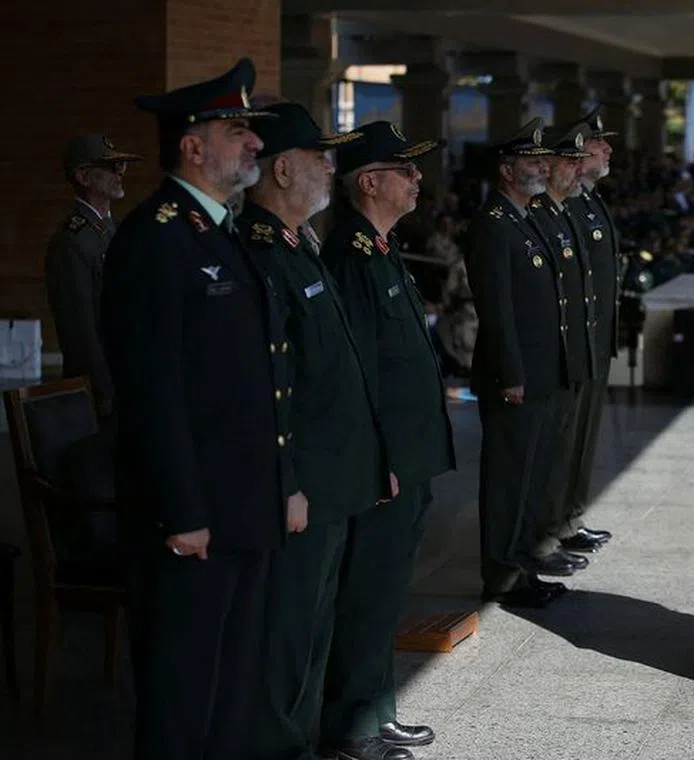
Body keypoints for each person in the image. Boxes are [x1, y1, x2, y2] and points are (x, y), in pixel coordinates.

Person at [100, 58, 288, 759]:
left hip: (242, 505)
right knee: (183, 695)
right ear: (192, 144)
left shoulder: (221, 233)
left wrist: (279, 484)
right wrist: (182, 511)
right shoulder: (154, 238)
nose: (254, 145)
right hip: (193, 515)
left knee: (233, 689)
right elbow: (153, 389)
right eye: (239, 129)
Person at [235, 102, 404, 760]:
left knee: (313, 629)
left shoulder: (296, 243)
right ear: (281, 169)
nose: (330, 169)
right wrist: (292, 481)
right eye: (318, 158)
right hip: (299, 482)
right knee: (285, 638)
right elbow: (271, 390)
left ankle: (301, 743)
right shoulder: (260, 251)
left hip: (332, 478)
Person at [319, 121, 456, 760]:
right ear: (369, 182)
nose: (417, 178)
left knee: (388, 590)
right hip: (384, 457)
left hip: (407, 450)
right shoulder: (349, 252)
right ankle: (354, 723)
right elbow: (358, 368)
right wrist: (376, 456)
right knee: (366, 593)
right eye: (405, 169)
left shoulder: (379, 245)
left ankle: (379, 708)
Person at [466, 119, 572, 607]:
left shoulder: (522, 216)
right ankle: (503, 573)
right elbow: (497, 306)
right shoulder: (492, 223)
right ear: (506, 170)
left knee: (530, 476)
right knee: (508, 480)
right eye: (532, 161)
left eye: (543, 160)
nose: (542, 167)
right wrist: (510, 374)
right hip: (516, 377)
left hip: (541, 372)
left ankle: (522, 563)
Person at [525, 123, 597, 574]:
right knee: (539, 461)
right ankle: (534, 544)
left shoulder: (564, 210)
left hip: (570, 353)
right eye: (567, 162)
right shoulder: (530, 216)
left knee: (565, 449)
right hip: (542, 362)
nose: (575, 170)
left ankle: (556, 527)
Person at [558, 105, 621, 553]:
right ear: (580, 154)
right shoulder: (564, 205)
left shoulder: (589, 199)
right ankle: (556, 522)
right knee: (564, 443)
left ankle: (570, 516)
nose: (608, 150)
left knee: (582, 441)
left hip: (595, 339)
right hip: (575, 341)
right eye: (600, 145)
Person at [46, 134, 141, 421]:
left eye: (121, 166)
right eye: (110, 167)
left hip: (127, 381)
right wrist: (103, 393)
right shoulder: (71, 241)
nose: (119, 173)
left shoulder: (118, 231)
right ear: (83, 176)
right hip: (99, 393)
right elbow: (80, 331)